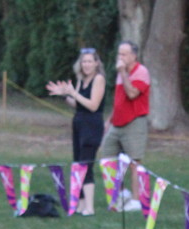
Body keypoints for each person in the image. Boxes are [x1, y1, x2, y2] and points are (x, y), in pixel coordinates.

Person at [47, 48, 107, 216]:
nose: (86, 65)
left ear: (96, 63)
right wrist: (65, 95)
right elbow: (78, 104)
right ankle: (80, 205)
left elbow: (93, 105)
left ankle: (90, 207)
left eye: (89, 61)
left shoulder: (99, 79)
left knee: (86, 164)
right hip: (79, 123)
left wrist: (74, 93)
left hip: (92, 125)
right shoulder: (81, 79)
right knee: (77, 164)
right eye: (83, 61)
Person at [97, 40, 150, 212]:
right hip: (117, 122)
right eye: (119, 54)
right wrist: (109, 120)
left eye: (124, 54)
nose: (120, 57)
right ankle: (121, 194)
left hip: (134, 122)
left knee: (134, 162)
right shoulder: (122, 73)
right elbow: (119, 100)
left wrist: (122, 72)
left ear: (134, 56)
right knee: (108, 159)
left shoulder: (141, 72)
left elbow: (132, 94)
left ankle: (136, 200)